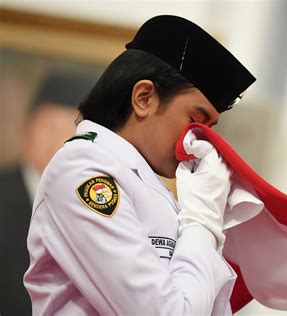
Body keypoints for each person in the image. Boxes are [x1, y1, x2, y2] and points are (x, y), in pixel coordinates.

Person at [23, 15, 256, 315]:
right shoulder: (83, 171)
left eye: (209, 130)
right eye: (195, 121)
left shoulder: (147, 183)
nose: (197, 142)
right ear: (144, 98)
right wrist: (201, 224)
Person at [0, 72, 94, 315]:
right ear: (27, 126)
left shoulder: (87, 207)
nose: (56, 142)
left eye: (68, 132)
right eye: (48, 127)